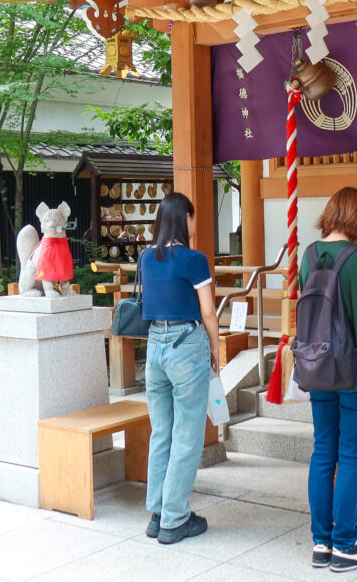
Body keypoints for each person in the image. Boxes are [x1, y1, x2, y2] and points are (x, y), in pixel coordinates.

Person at [302, 187, 357, 573]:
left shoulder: (308, 255)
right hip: (355, 370)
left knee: (324, 450)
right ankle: (345, 544)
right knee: (351, 457)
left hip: (318, 366)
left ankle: (321, 543)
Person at [139, 192, 220, 545]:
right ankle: (175, 519)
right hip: (186, 346)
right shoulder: (194, 260)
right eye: (192, 216)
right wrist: (216, 347)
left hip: (154, 347)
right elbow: (207, 313)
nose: (194, 222)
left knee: (162, 432)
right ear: (183, 218)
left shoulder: (146, 257)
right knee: (187, 435)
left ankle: (157, 514)